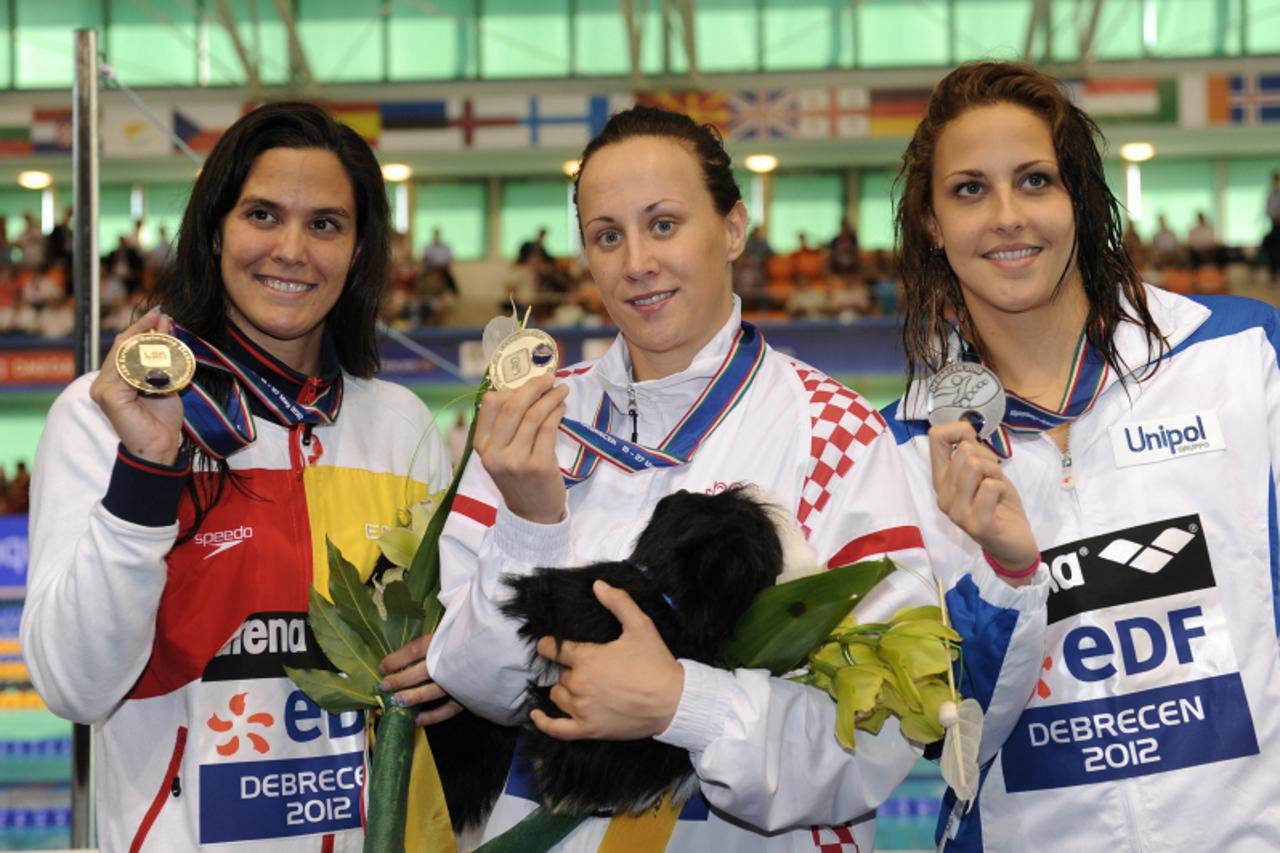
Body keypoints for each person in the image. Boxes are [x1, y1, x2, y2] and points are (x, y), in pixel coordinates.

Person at [426, 105, 1046, 851]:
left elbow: (874, 740)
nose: (636, 263)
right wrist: (528, 525)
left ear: (732, 228)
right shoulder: (529, 429)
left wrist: (681, 702)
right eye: (607, 235)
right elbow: (473, 683)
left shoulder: (835, 435)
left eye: (664, 224)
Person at [20, 102, 452, 851]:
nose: (291, 249)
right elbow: (75, 685)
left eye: (325, 224)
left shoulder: (401, 425)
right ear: (216, 229)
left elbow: (447, 666)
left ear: (358, 251)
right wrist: (145, 473)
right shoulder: (105, 418)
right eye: (262, 214)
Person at [885, 60, 1280, 851]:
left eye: (1035, 180)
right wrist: (1002, 577)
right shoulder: (899, 450)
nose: (1006, 216)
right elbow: (939, 737)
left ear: (1080, 198)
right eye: (968, 190)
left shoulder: (1242, 354)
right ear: (931, 222)